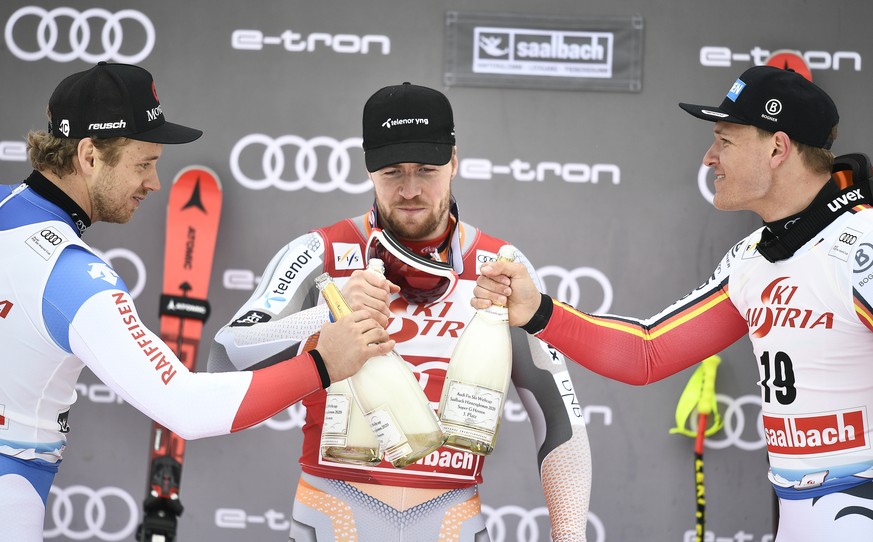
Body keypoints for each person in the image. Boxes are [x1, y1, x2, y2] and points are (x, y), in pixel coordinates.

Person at [473, 65, 873, 541]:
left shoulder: (861, 248)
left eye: (725, 140)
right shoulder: (755, 258)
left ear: (777, 148)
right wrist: (538, 311)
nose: (709, 158)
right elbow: (649, 351)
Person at [0, 62, 393, 542]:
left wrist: (318, 317)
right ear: (88, 155)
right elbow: (185, 407)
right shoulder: (72, 278)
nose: (154, 183)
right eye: (143, 163)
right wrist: (324, 364)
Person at [208, 82, 592, 541]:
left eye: (427, 170)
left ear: (454, 161)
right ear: (369, 170)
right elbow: (224, 361)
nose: (411, 190)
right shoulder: (319, 254)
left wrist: (569, 537)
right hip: (333, 517)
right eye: (393, 172)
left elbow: (560, 419)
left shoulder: (500, 266)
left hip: (453, 522)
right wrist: (324, 315)